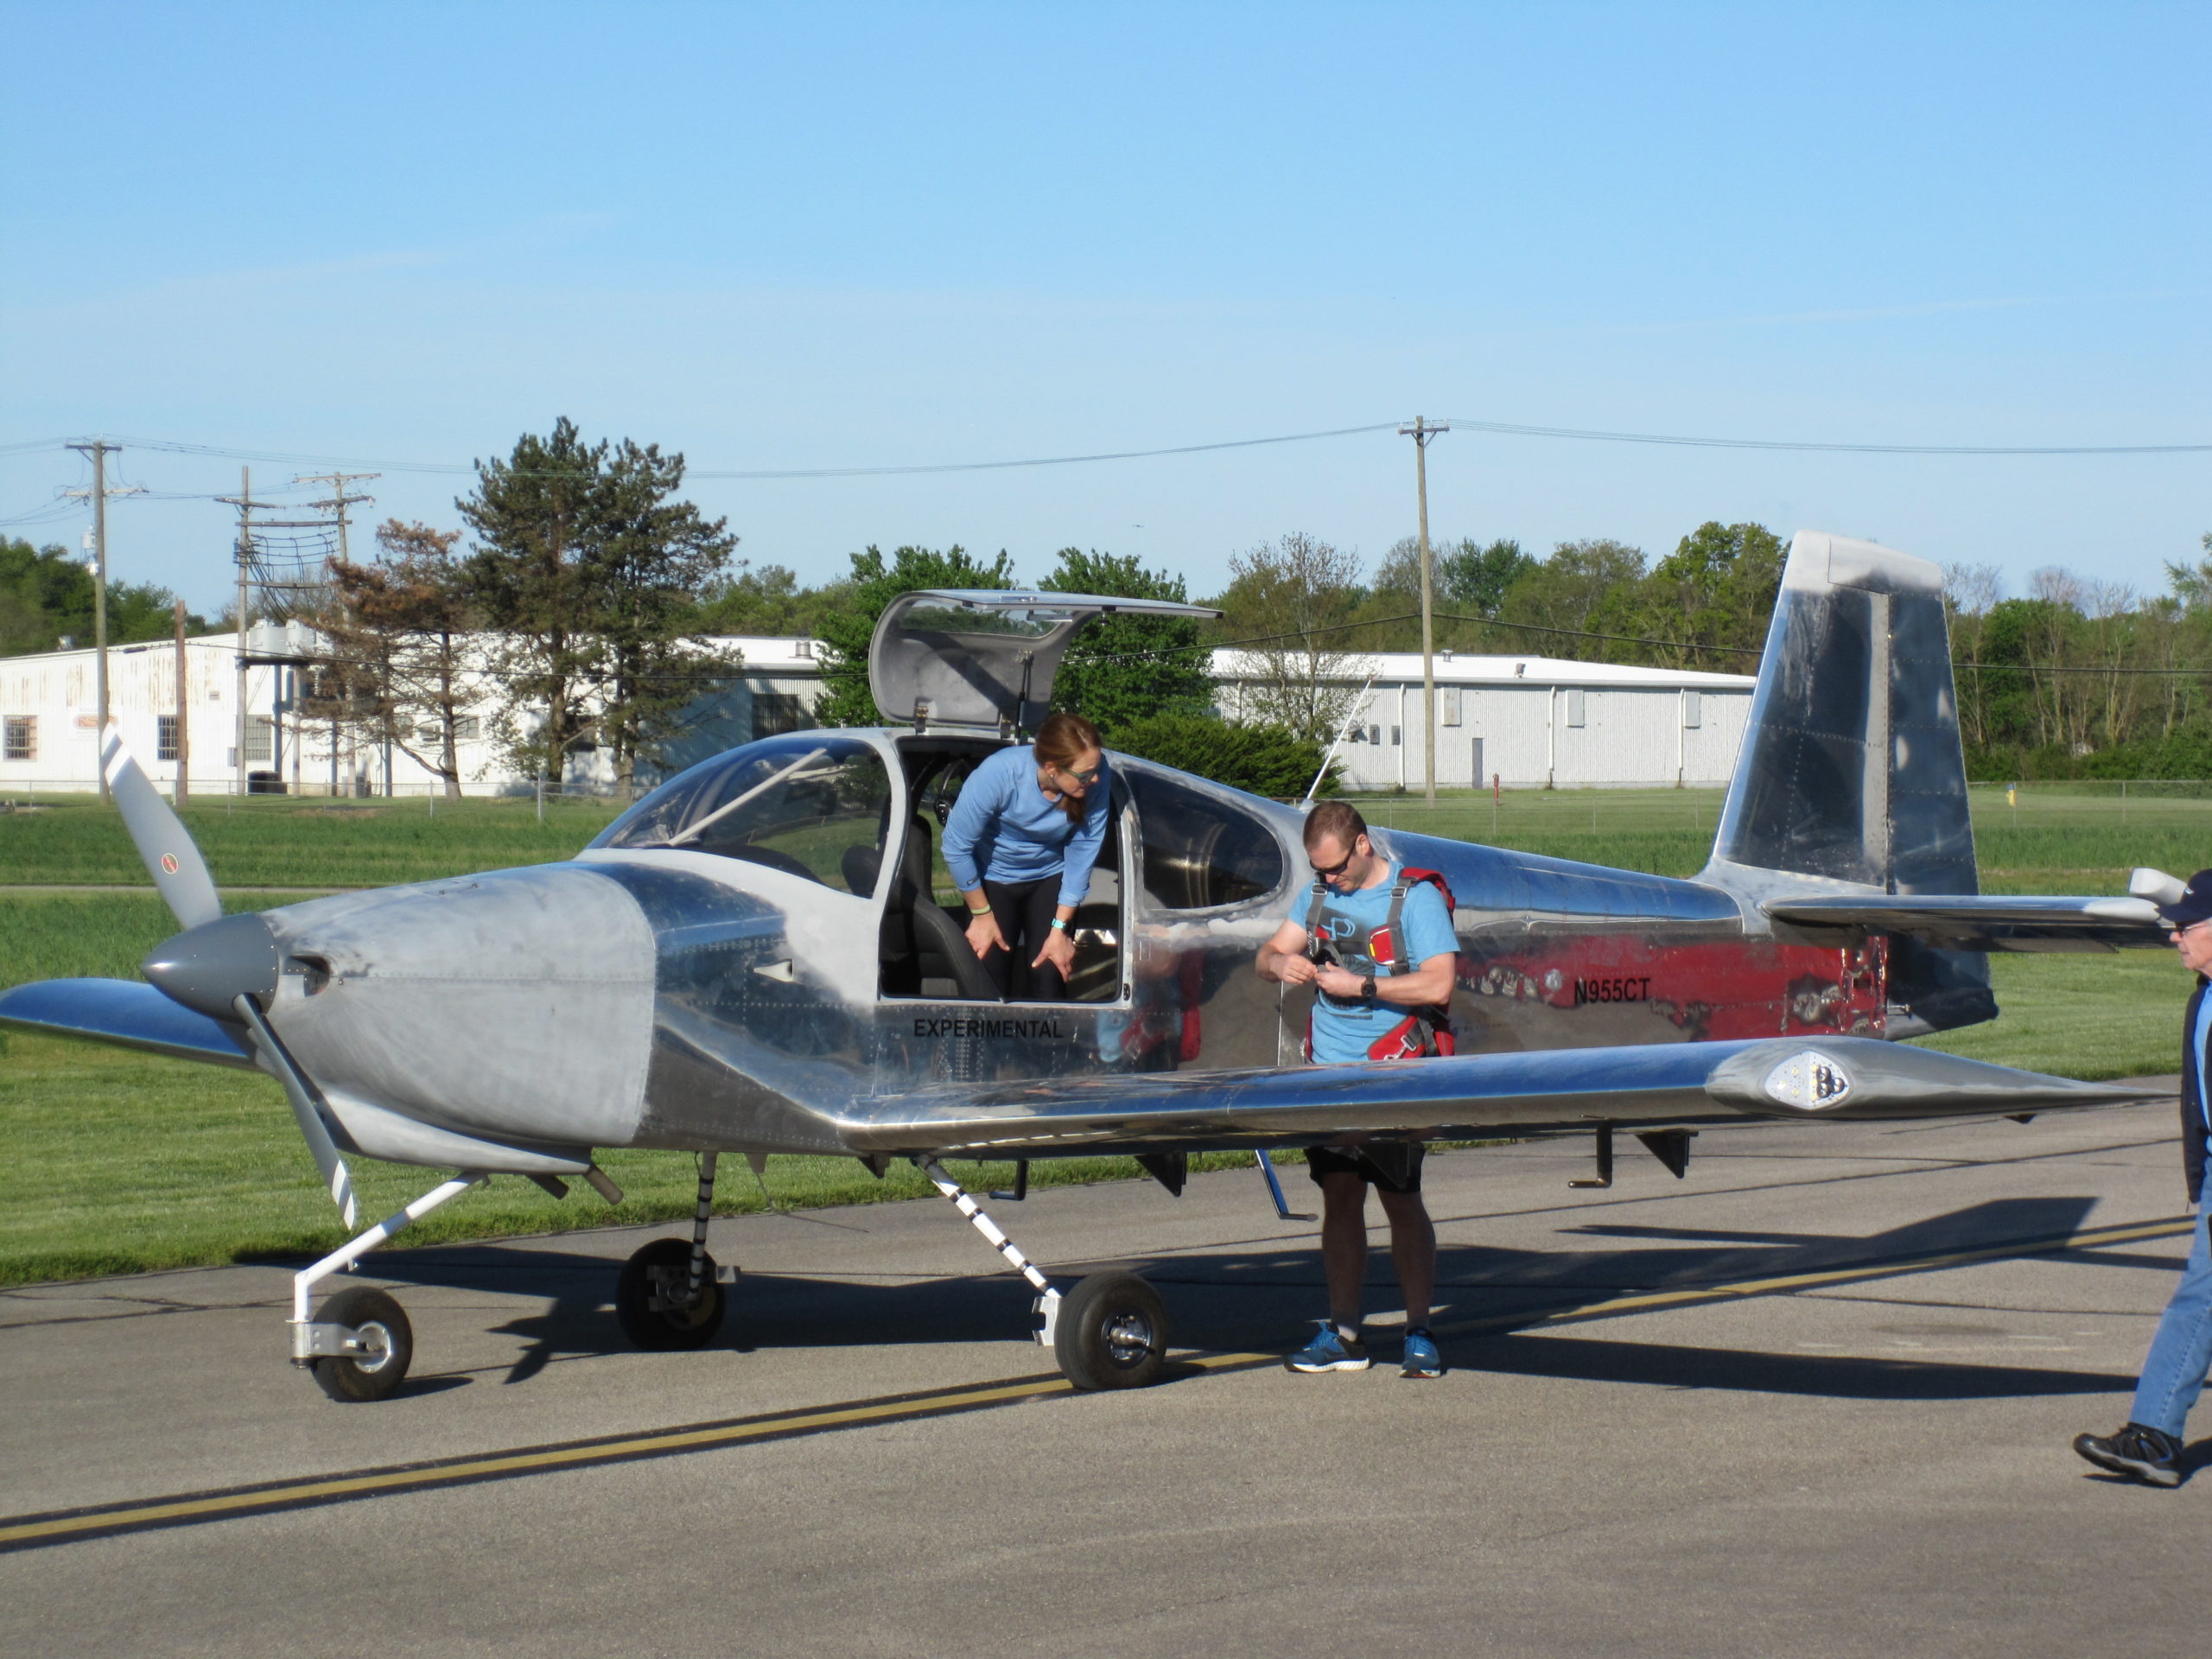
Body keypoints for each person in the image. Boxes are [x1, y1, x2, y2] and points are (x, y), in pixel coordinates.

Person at [1255, 799, 1458, 1378]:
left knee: (1399, 1195)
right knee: (1339, 1196)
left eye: (1336, 868)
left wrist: (1363, 985)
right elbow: (1265, 954)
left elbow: (1441, 984)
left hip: (1395, 1071)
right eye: (1319, 870)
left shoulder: (1412, 898)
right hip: (1329, 1073)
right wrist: (1280, 966)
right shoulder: (1317, 897)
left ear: (1362, 846)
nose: (1328, 879)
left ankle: (1419, 1330)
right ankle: (1344, 1332)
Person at [2074, 868, 2212, 1486]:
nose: (2173, 940)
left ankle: (2155, 1436)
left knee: (2201, 1300)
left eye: (2184, 929)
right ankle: (2154, 1435)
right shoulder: (2203, 998)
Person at [941, 711, 1109, 1001]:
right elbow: (956, 848)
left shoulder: (1096, 776)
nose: (1094, 778)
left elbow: (1084, 850)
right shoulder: (999, 774)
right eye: (1084, 774)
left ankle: (1047, 1046)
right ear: (1052, 768)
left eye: (1095, 769)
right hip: (993, 880)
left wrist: (1060, 930)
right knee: (987, 979)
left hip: (1050, 878)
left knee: (1050, 972)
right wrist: (982, 917)